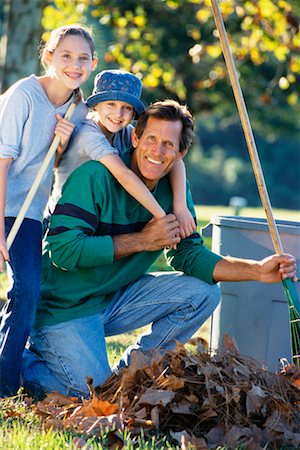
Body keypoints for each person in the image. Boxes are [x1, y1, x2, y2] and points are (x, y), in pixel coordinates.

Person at [22, 100, 297, 399]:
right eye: (151, 139)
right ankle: (25, 363)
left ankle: (133, 370)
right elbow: (62, 251)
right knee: (92, 396)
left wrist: (257, 271)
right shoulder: (94, 177)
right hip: (64, 307)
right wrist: (143, 240)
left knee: (203, 292)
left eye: (168, 144)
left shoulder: (173, 191)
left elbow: (189, 254)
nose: (157, 151)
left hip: (115, 296)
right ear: (136, 138)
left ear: (180, 154)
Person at [0, 24, 98, 397]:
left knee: (27, 290)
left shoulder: (78, 109)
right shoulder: (24, 95)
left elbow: (54, 165)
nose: (74, 65)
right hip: (4, 201)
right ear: (49, 57)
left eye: (82, 58)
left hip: (30, 211)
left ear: (93, 63)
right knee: (25, 289)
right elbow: (2, 163)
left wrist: (60, 144)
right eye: (66, 56)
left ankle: (5, 385)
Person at [47, 69, 195, 238]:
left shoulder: (126, 133)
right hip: (65, 215)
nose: (118, 114)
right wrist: (161, 218)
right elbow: (123, 174)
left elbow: (175, 161)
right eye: (111, 104)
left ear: (133, 113)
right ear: (97, 105)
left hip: (97, 215)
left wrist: (180, 205)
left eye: (126, 108)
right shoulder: (87, 134)